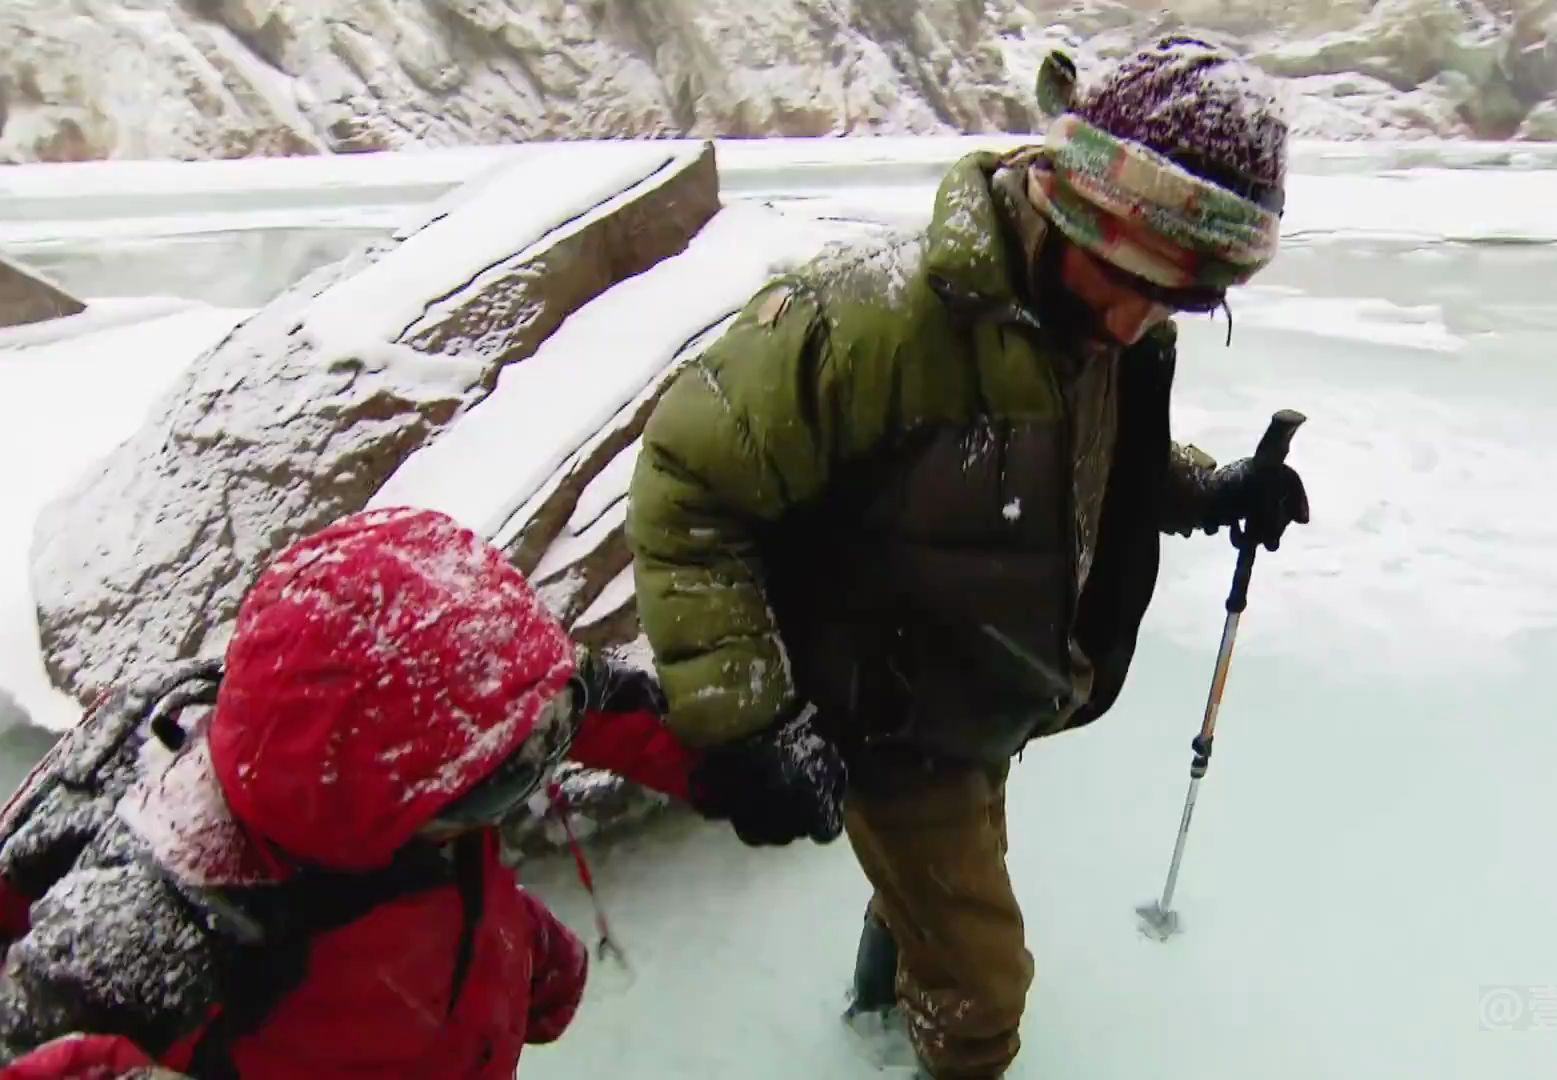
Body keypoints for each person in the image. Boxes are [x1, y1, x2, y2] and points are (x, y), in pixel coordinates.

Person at [627, 35, 1310, 1079]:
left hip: (981, 687)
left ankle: (870, 1022)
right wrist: (747, 718)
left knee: (931, 900)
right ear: (1080, 198)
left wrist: (1209, 489)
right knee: (984, 992)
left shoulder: (1110, 328)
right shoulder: (873, 324)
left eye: (1181, 298)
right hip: (893, 711)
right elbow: (687, 479)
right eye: (1129, 276)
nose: (1136, 321)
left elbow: (1095, 460)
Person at [0, 507, 693, 1078]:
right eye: (497, 783)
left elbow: (544, 704)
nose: (527, 782)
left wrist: (520, 954)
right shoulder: (171, 928)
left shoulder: (375, 783)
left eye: (545, 736)